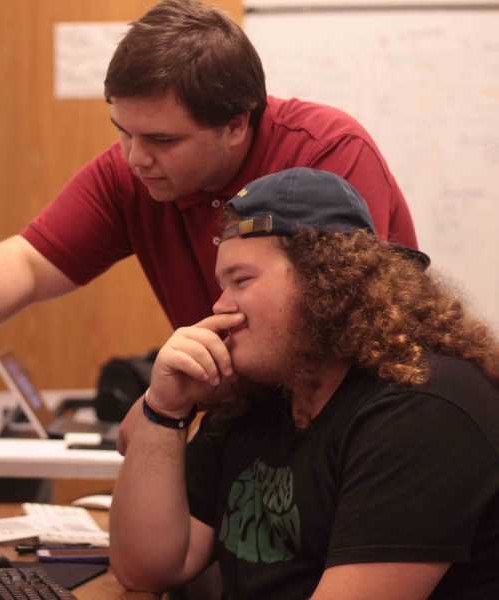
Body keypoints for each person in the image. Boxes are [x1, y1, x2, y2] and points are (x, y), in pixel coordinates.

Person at [0, 0, 418, 400]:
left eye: (162, 140)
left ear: (236, 124)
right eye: (123, 132)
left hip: (352, 417)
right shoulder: (132, 172)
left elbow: (337, 327)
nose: (135, 158)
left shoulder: (327, 151)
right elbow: (26, 260)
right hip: (243, 417)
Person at [109, 167, 499, 598]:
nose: (220, 304)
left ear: (325, 282)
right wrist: (165, 409)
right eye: (221, 285)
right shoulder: (258, 394)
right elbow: (144, 570)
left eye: (241, 280)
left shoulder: (424, 406)